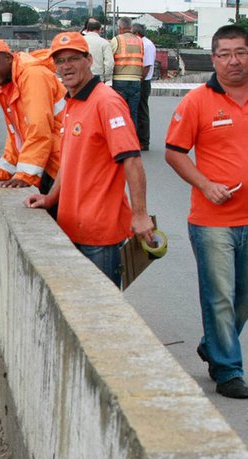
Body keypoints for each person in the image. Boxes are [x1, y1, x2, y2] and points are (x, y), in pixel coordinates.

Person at [164, 24, 248, 400]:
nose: (233, 61)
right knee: (219, 296)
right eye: (224, 54)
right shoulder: (197, 102)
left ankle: (213, 343)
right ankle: (228, 369)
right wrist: (205, 184)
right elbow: (174, 152)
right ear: (213, 59)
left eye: (240, 52)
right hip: (211, 222)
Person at [25, 32, 155, 287]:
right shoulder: (72, 102)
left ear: (89, 60)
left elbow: (132, 160)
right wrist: (51, 198)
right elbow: (69, 162)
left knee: (101, 314)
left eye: (73, 58)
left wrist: (140, 215)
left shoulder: (107, 102)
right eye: (60, 61)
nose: (66, 66)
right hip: (71, 227)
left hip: (100, 236)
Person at [0, 37, 66, 204]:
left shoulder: (32, 76)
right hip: (51, 164)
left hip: (63, 166)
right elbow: (16, 137)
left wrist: (26, 176)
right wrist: (3, 172)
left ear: (8, 57)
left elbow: (38, 129)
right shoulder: (9, 86)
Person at [109, 16, 145, 127]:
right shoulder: (139, 41)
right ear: (131, 27)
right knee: (133, 113)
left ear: (120, 27)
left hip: (120, 80)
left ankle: (120, 140)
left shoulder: (117, 39)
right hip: (136, 81)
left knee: (118, 114)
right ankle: (132, 141)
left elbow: (110, 60)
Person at [134, 23, 156, 151]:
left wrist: (139, 80)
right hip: (140, 80)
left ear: (137, 34)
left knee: (142, 111)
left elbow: (146, 67)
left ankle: (144, 141)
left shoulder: (146, 45)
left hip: (143, 81)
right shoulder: (143, 43)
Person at [82, 18, 114, 82]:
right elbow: (109, 63)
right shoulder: (104, 43)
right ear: (100, 29)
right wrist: (106, 78)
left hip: (82, 75)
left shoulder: (80, 41)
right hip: (98, 77)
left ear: (87, 29)